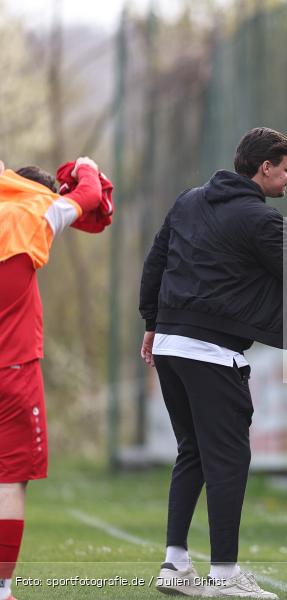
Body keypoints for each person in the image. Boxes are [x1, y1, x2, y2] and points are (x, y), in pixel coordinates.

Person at [138, 127, 287, 599]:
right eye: (286, 169)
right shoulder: (261, 219)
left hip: (170, 345)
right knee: (228, 460)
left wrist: (152, 323)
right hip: (211, 353)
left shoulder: (188, 200)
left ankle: (176, 564)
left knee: (192, 453)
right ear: (264, 168)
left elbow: (156, 262)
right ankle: (225, 576)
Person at [0, 157, 106, 600]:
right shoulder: (37, 211)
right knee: (9, 479)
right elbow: (90, 196)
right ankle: (1, 587)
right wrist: (86, 165)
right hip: (13, 369)